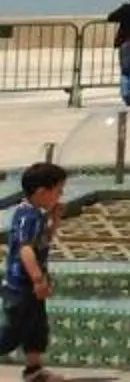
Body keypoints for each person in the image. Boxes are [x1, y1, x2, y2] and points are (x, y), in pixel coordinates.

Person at [1, 161, 62, 382]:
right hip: (21, 286)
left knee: (36, 328)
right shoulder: (28, 216)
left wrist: (55, 221)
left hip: (31, 286)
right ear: (42, 192)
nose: (60, 196)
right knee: (12, 333)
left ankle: (34, 370)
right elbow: (25, 249)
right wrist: (37, 279)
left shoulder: (37, 214)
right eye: (58, 191)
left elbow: (42, 241)